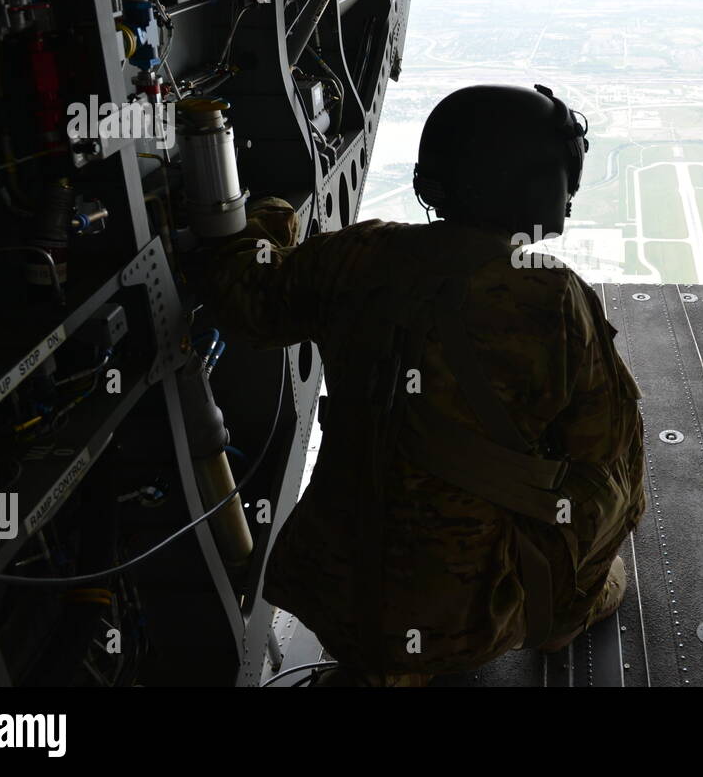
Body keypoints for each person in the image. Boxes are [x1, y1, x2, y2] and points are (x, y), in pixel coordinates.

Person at [202, 84, 646, 685]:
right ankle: (562, 617)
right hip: (466, 621)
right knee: (606, 542)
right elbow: (612, 471)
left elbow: (246, 299)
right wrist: (577, 578)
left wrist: (270, 218)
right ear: (533, 184)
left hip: (331, 595)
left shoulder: (357, 255)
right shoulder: (552, 297)